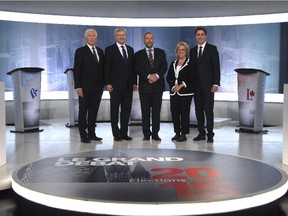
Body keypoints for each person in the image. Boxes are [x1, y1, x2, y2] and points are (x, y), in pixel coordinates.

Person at [104, 27, 137, 141]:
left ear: (126, 36)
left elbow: (133, 69)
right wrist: (107, 83)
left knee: (126, 110)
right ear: (115, 37)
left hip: (128, 86)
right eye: (119, 35)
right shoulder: (109, 50)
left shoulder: (130, 49)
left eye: (123, 35)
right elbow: (107, 67)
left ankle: (124, 133)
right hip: (115, 86)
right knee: (114, 110)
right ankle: (116, 134)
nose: (121, 37)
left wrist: (134, 83)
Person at [189, 27, 221, 143]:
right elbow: (192, 69)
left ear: (206, 36)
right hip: (196, 87)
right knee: (198, 110)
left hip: (209, 86)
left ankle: (210, 134)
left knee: (208, 110)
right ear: (195, 36)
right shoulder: (192, 51)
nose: (200, 36)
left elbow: (216, 67)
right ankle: (201, 133)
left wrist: (216, 83)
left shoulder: (212, 49)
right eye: (198, 34)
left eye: (202, 34)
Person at [134, 32, 167, 141]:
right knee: (145, 111)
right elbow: (137, 68)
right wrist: (148, 76)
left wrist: (156, 76)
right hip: (145, 87)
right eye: (147, 38)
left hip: (158, 87)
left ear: (153, 39)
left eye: (151, 38)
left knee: (156, 112)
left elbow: (164, 67)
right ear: (144, 40)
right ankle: (146, 134)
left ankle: (155, 133)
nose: (149, 40)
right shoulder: (138, 54)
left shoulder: (161, 52)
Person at [73, 29, 104, 143]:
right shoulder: (80, 51)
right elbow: (77, 70)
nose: (91, 38)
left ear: (96, 38)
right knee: (83, 111)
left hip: (98, 87)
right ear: (86, 38)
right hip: (84, 88)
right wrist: (78, 86)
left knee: (93, 111)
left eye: (93, 36)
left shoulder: (100, 51)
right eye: (89, 36)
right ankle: (83, 135)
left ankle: (92, 134)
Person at [166, 42, 196, 142]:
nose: (181, 51)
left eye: (183, 49)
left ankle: (184, 134)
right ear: (176, 51)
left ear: (186, 51)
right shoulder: (173, 63)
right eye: (179, 49)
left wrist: (181, 85)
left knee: (184, 113)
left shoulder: (190, 63)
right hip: (174, 92)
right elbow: (169, 77)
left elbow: (192, 77)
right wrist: (173, 86)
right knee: (174, 113)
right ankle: (177, 133)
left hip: (185, 92)